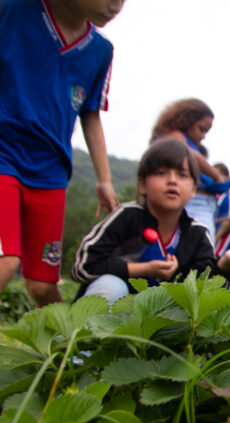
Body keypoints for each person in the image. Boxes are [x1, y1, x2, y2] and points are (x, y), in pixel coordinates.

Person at [0, 0, 126, 307]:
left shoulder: (100, 52)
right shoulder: (15, 10)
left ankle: (69, 353)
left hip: (51, 174)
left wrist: (104, 179)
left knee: (43, 284)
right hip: (4, 154)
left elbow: (91, 114)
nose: (116, 5)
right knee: (6, 260)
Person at [72, 139, 230, 305]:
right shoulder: (127, 216)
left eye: (182, 175)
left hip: (160, 325)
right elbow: (83, 266)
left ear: (193, 189)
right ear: (142, 184)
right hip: (114, 313)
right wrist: (144, 269)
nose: (172, 181)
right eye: (161, 172)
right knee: (111, 287)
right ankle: (86, 345)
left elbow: (206, 289)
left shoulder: (196, 234)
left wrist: (225, 264)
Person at [150, 98, 230, 237]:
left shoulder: (180, 140)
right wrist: (216, 176)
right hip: (193, 204)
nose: (203, 136)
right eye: (201, 129)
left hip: (201, 204)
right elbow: (190, 154)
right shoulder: (174, 136)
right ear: (186, 120)